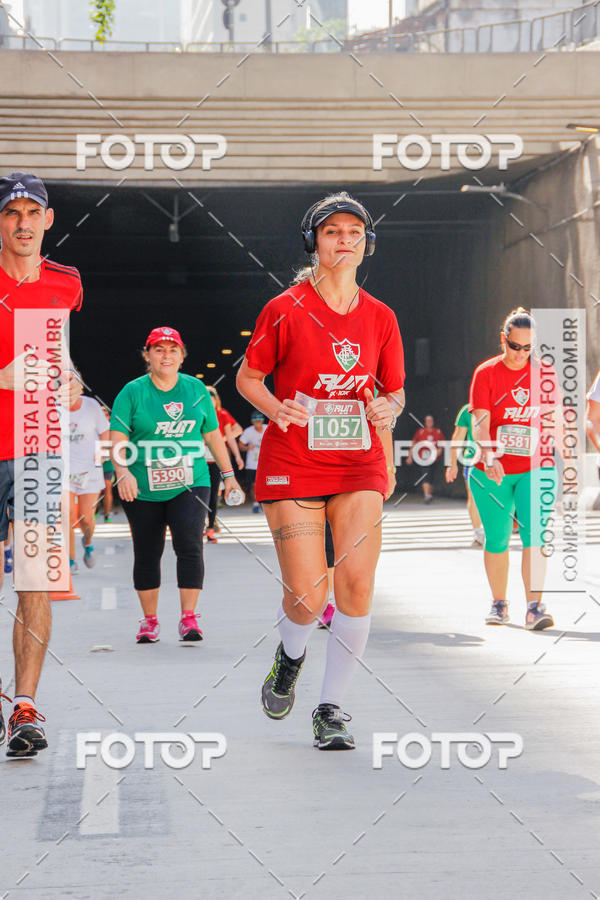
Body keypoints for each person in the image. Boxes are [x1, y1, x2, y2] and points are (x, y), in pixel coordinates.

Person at [237, 191, 405, 750]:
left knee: (356, 585)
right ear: (314, 242)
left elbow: (393, 390)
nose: (344, 240)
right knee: (309, 598)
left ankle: (330, 707)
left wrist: (390, 411)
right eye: (333, 231)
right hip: (293, 463)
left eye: (354, 232)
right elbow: (248, 378)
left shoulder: (381, 316)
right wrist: (274, 407)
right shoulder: (284, 309)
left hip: (359, 463)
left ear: (368, 245)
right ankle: (290, 658)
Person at [0, 171, 83, 757]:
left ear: (48, 220)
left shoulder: (65, 284)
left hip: (37, 445)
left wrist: (73, 380)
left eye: (33, 213)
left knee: (35, 581)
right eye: (12, 213)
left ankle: (24, 707)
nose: (23, 223)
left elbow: (60, 355)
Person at [110, 327, 243, 644]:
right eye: (159, 349)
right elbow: (118, 439)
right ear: (147, 355)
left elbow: (213, 436)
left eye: (173, 349)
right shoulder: (132, 392)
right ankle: (149, 621)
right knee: (147, 551)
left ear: (182, 356)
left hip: (191, 482)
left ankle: (189, 618)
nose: (166, 355)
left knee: (189, 545)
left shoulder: (196, 390)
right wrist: (123, 473)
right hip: (142, 486)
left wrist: (229, 476)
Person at [469, 307, 559, 631]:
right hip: (492, 470)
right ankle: (499, 602)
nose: (521, 354)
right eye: (514, 346)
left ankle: (534, 607)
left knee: (534, 534)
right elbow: (480, 423)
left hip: (536, 467)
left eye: (528, 348)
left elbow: (554, 422)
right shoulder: (486, 373)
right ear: (502, 340)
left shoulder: (545, 374)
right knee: (497, 539)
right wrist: (489, 456)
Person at [64, 391, 109, 572]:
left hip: (89, 470)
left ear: (78, 388)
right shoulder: (53, 407)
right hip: (64, 471)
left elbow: (105, 432)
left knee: (85, 518)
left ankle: (88, 543)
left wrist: (102, 455)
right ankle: (70, 559)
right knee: (66, 513)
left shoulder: (91, 406)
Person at [203, 384, 244, 543]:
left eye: (212, 397)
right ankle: (199, 525)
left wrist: (237, 457)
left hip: (214, 461)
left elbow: (231, 436)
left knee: (213, 495)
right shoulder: (197, 414)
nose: (209, 400)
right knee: (198, 495)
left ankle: (211, 528)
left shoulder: (222, 414)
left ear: (216, 399)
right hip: (197, 460)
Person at [445, 403, 484, 545]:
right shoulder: (467, 411)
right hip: (472, 459)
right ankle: (478, 533)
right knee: (473, 496)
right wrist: (452, 463)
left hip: (495, 458)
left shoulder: (500, 406)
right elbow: (457, 437)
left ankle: (493, 529)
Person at [407, 415, 445, 503]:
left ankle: (429, 494)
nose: (429, 422)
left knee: (431, 476)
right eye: (427, 421)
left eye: (431, 421)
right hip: (423, 458)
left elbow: (442, 443)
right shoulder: (420, 432)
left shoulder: (437, 432)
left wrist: (440, 449)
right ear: (425, 422)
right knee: (426, 475)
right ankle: (427, 495)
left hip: (435, 458)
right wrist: (410, 456)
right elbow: (413, 443)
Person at [239, 410, 266, 512]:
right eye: (255, 421)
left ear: (262, 421)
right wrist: (247, 448)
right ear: (252, 422)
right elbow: (240, 445)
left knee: (266, 484)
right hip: (253, 463)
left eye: (259, 420)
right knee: (254, 485)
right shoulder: (248, 431)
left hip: (266, 463)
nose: (258, 423)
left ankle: (264, 503)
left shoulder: (268, 428)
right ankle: (255, 504)